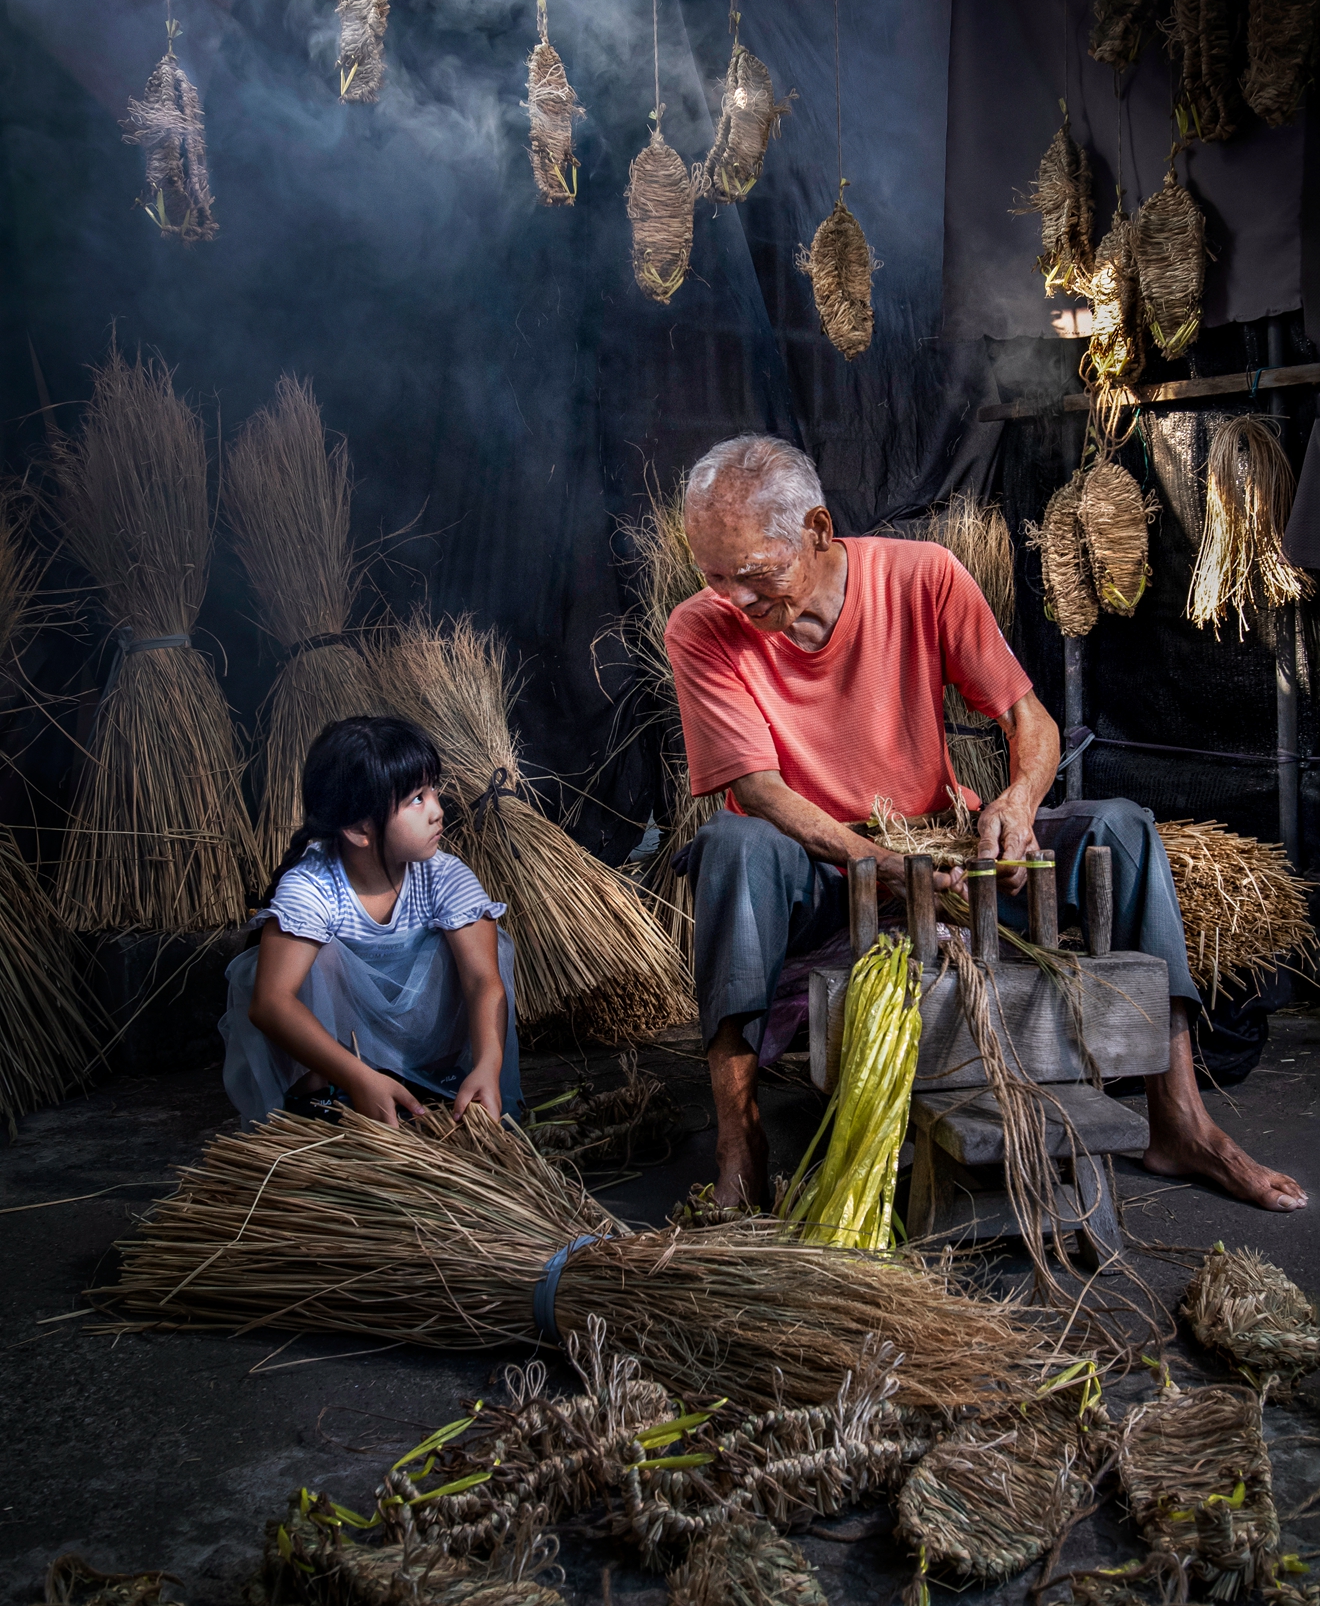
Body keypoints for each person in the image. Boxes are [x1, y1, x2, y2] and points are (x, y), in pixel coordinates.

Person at [664, 434, 1306, 1217]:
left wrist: (1016, 804)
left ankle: (1180, 1119)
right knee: (731, 844)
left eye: (754, 575)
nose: (732, 597)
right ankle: (742, 1145)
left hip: (944, 848)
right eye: (713, 576)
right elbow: (760, 791)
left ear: (818, 531)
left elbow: (1028, 722)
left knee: (1122, 828)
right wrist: (875, 863)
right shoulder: (700, 628)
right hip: (818, 872)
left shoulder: (921, 575)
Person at [221, 716, 519, 1130]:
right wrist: (358, 1075)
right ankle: (322, 1101)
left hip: (427, 1057)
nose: (437, 810)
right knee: (314, 958)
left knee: (469, 950)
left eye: (434, 790)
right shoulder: (312, 886)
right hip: (342, 1066)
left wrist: (488, 1063)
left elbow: (482, 981)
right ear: (361, 828)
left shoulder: (445, 877)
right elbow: (272, 1003)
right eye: (417, 798)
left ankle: (435, 1087)